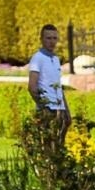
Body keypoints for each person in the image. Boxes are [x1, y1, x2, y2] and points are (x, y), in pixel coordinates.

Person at [27, 23, 70, 151]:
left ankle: (58, 171)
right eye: (48, 38)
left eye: (54, 38)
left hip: (59, 108)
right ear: (41, 39)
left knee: (59, 147)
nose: (52, 42)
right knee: (48, 146)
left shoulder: (56, 59)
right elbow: (32, 86)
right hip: (48, 108)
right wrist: (43, 107)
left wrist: (66, 109)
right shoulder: (37, 58)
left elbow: (58, 86)